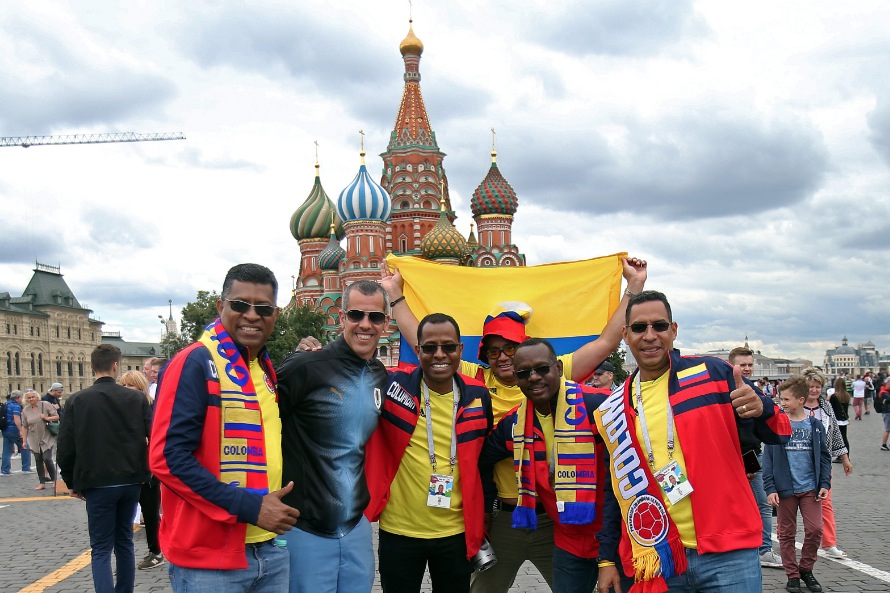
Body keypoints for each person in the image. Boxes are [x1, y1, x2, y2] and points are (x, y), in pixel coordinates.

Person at [381, 257, 647, 593]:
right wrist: (394, 294)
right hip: (505, 517)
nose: (504, 357)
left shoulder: (547, 371)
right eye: (493, 352)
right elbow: (429, 345)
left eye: (511, 348)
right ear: (483, 357)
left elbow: (606, 343)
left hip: (552, 518)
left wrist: (634, 286)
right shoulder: (475, 380)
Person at [590, 290, 791, 592]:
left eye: (659, 326)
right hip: (662, 554)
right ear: (625, 334)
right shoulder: (612, 408)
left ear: (673, 330)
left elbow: (780, 431)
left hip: (730, 551)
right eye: (639, 327)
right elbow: (613, 490)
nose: (649, 335)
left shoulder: (713, 373)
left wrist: (762, 409)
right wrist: (606, 558)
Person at [149, 263, 299, 593]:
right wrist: (251, 507)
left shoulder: (264, 368)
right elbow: (166, 458)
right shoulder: (195, 362)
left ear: (276, 315)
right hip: (210, 560)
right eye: (240, 305)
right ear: (221, 307)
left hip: (270, 549)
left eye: (263, 308)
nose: (252, 315)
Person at [479, 338, 631, 593]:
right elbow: (481, 459)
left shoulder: (600, 407)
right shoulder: (514, 425)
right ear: (516, 378)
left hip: (616, 537)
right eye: (525, 373)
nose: (534, 378)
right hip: (569, 543)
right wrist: (487, 504)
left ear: (559, 369)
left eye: (542, 369)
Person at [276, 279, 392, 593]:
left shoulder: (380, 374)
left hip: (356, 529)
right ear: (341, 318)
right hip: (305, 529)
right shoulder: (305, 367)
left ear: (386, 323)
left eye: (375, 317)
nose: (365, 325)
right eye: (356, 315)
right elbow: (259, 421)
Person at [364, 313, 493, 593]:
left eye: (448, 347)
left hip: (455, 534)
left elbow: (483, 460)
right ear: (418, 350)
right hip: (399, 531)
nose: (439, 355)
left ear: (460, 349)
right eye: (430, 347)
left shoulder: (478, 396)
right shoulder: (393, 387)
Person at [57, 344, 152, 593]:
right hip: (131, 479)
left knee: (100, 547)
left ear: (92, 367)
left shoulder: (77, 400)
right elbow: (153, 436)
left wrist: (71, 482)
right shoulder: (136, 398)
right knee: (124, 542)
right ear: (116, 365)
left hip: (97, 481)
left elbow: (65, 448)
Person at [763, 376, 831, 593]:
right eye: (781, 399)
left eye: (786, 399)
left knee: (815, 529)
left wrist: (825, 483)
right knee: (786, 533)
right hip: (786, 490)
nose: (782, 403)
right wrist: (770, 488)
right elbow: (768, 459)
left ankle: (806, 569)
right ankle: (792, 575)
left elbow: (824, 457)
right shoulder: (776, 424)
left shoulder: (815, 425)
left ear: (801, 400)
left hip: (810, 488)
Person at [728, 346, 782, 569]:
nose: (747, 368)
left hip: (749, 452)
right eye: (743, 365)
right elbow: (743, 429)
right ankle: (764, 550)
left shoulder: (752, 389)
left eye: (750, 364)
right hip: (746, 454)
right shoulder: (736, 390)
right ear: (732, 366)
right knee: (761, 503)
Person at [801, 368, 852, 560]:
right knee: (789, 504)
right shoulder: (794, 406)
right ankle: (785, 539)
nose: (814, 390)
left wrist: (844, 457)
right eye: (810, 387)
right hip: (798, 461)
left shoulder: (826, 407)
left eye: (817, 387)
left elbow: (836, 434)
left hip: (822, 462)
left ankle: (829, 543)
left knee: (826, 503)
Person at [120, 370, 164, 570]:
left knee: (150, 511)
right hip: (125, 466)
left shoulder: (152, 405)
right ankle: (124, 555)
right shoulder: (119, 407)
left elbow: (156, 437)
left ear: (140, 386)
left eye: (130, 385)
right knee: (124, 512)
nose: (126, 389)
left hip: (147, 466)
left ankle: (156, 551)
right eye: (124, 386)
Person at [21, 388, 59, 490]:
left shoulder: (45, 404)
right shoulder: (25, 410)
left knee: (47, 458)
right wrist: (24, 441)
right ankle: (42, 482)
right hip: (33, 438)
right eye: (29, 398)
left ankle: (54, 480)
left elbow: (57, 416)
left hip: (46, 436)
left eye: (33, 397)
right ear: (26, 399)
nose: (31, 399)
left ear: (36, 397)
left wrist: (47, 418)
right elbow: (24, 426)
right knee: (38, 460)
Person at [1, 390, 31, 475]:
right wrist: (21, 431)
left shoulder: (6, 404)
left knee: (6, 451)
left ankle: (5, 470)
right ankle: (26, 468)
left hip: (5, 430)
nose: (22, 399)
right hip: (14, 430)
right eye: (21, 397)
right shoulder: (16, 406)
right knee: (25, 447)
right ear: (18, 398)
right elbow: (16, 419)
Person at [827, 377, 851, 454]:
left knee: (837, 438)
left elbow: (830, 407)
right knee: (844, 437)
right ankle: (846, 454)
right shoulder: (847, 395)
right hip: (844, 419)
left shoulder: (834, 396)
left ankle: (840, 454)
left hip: (836, 419)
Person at [879, 380, 890, 451]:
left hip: (887, 412)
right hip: (887, 412)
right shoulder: (884, 392)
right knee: (888, 429)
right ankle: (884, 444)